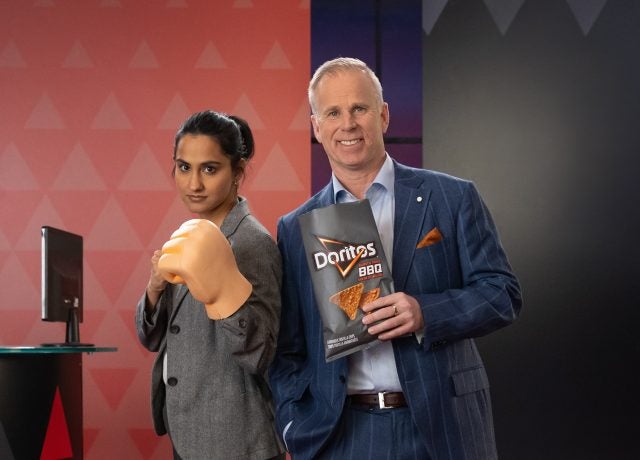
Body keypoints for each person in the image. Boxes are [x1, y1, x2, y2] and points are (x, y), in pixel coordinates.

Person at [268, 57, 522, 460]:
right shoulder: (295, 228)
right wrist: (293, 423)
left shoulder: (452, 197)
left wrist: (425, 312)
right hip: (342, 435)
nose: (348, 124)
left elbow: (502, 294)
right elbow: (287, 348)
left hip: (443, 427)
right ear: (316, 127)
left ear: (383, 115)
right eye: (333, 113)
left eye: (359, 108)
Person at [135, 110, 284, 459]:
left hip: (235, 441)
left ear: (238, 172)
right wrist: (155, 289)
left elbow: (263, 354)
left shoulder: (252, 243)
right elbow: (152, 338)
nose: (194, 184)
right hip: (189, 432)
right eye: (184, 167)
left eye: (210, 169)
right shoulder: (189, 236)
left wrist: (224, 295)